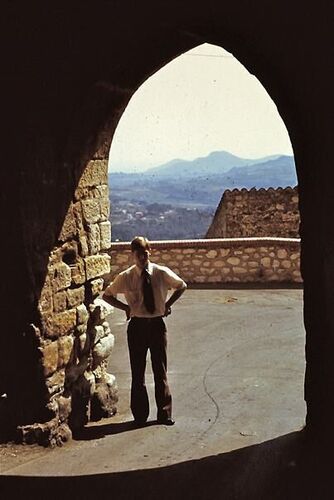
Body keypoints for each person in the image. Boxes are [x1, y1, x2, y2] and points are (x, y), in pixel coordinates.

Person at [103, 236, 187, 426]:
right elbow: (107, 295)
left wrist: (167, 304)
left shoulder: (160, 272)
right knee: (138, 372)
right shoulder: (126, 276)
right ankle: (140, 416)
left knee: (160, 370)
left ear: (150, 251)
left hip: (157, 324)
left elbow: (181, 285)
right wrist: (125, 308)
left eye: (145, 252)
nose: (142, 256)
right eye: (138, 253)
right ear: (133, 254)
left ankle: (165, 414)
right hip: (137, 326)